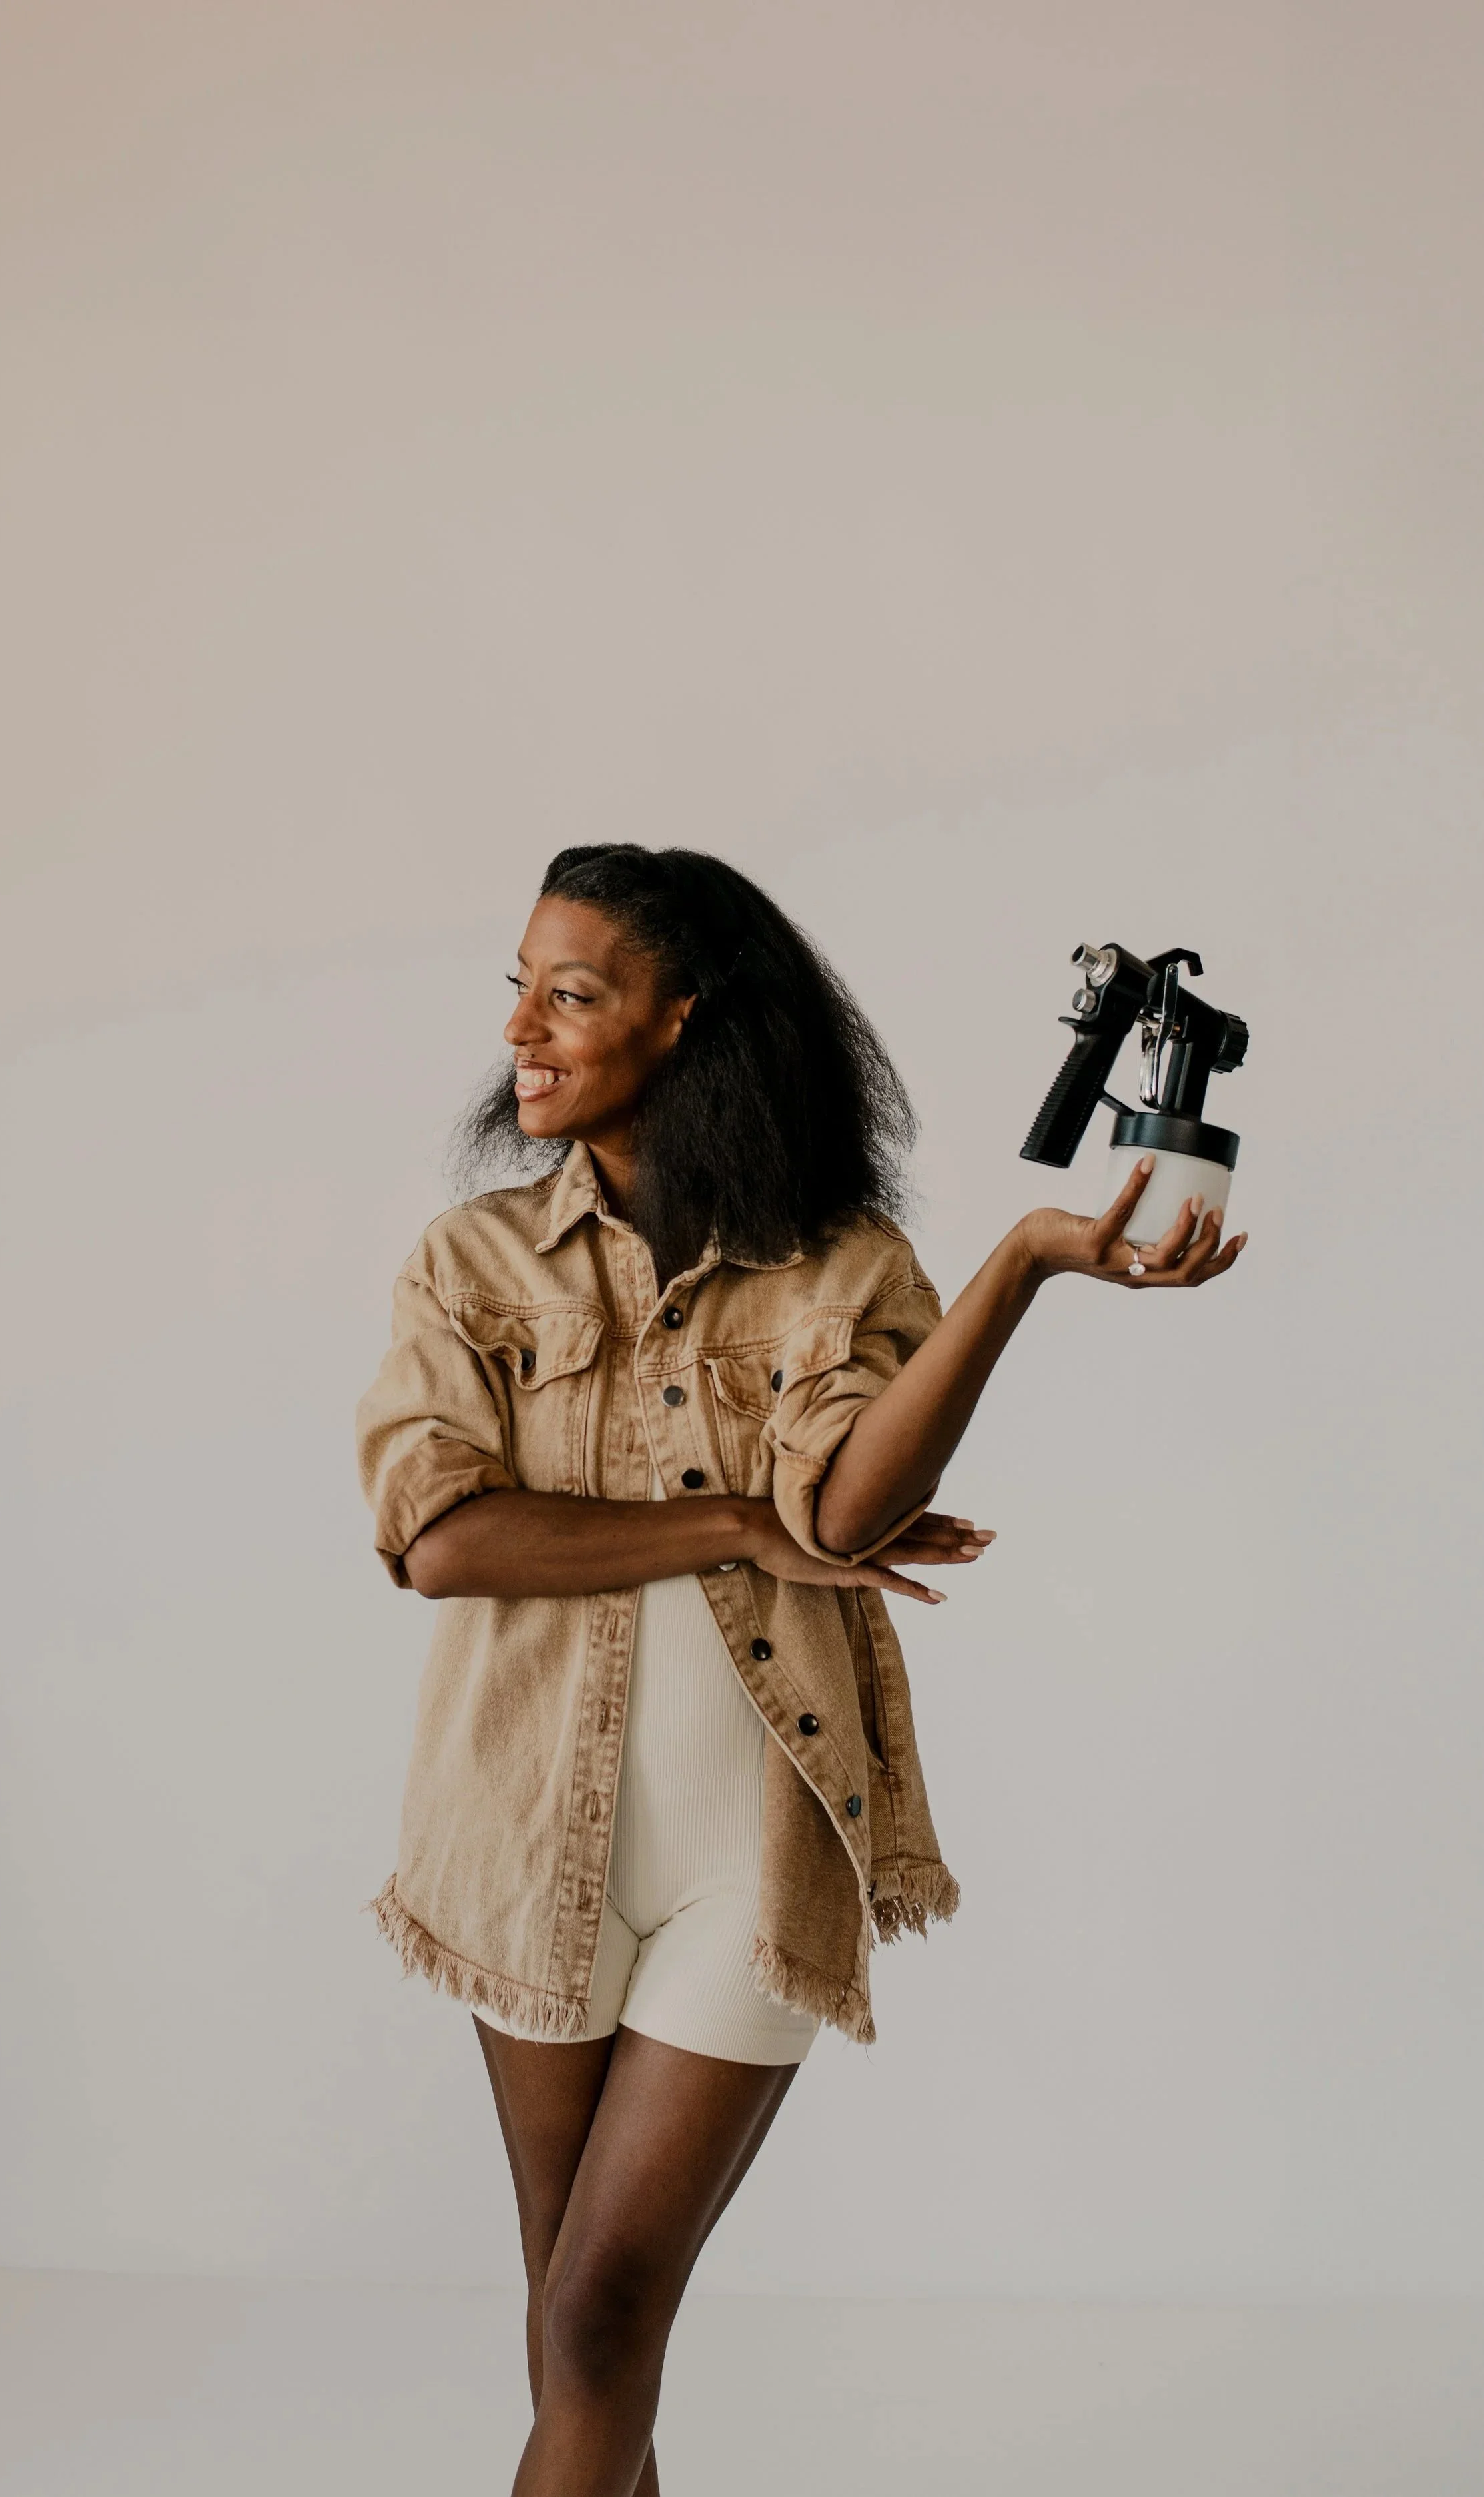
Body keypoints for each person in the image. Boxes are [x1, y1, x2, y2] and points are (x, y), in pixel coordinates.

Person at [355, 845, 1244, 2497]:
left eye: (572, 991)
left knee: (608, 2308)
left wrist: (1021, 1265)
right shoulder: (471, 1260)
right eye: (519, 987)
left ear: (684, 1019)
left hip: (754, 1857)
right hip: (516, 1828)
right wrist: (727, 1530)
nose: (523, 1030)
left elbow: (844, 1505)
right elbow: (439, 1538)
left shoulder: (843, 1265)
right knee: (574, 2331)